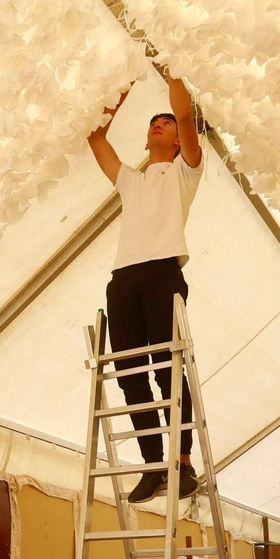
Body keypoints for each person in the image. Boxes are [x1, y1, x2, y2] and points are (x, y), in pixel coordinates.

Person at [88, 71, 205, 504]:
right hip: (124, 279)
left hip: (162, 273)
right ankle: (154, 466)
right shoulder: (130, 180)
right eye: (152, 123)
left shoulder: (185, 171)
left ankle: (184, 462)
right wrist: (121, 86)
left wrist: (173, 71)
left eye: (166, 123)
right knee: (131, 374)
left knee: (166, 367)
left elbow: (187, 118)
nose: (159, 124)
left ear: (177, 141)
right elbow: (96, 137)